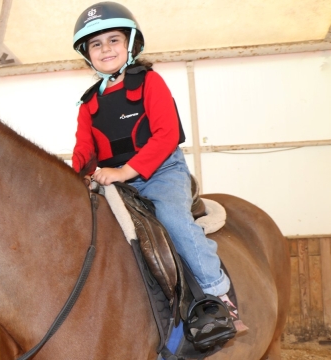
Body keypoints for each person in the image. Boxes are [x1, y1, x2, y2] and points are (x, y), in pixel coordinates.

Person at [70, 2, 246, 349]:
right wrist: (75, 176)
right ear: (87, 54)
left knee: (171, 217)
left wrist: (123, 170)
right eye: (96, 44)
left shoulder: (149, 82)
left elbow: (165, 135)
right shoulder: (88, 103)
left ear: (130, 44)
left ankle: (217, 295)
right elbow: (83, 153)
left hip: (161, 171)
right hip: (115, 183)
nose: (106, 49)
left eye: (113, 40)